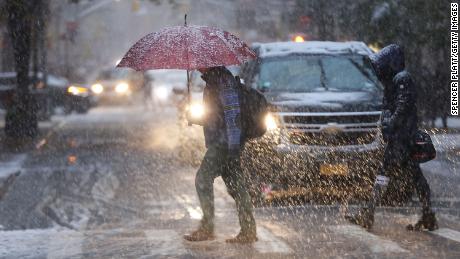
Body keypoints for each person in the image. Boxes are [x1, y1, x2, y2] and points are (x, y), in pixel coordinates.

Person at [346, 44, 438, 231]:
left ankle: (369, 214)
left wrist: (391, 124)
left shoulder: (402, 78)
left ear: (391, 62)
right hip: (402, 136)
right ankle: (428, 214)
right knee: (414, 175)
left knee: (386, 173)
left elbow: (403, 106)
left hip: (401, 138)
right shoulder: (396, 79)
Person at [183, 66, 257, 243]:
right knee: (236, 185)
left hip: (224, 143)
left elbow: (232, 116)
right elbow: (215, 117)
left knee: (202, 179)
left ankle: (207, 228)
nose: (197, 65)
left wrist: (232, 147)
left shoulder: (223, 82)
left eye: (200, 62)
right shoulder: (213, 81)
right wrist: (194, 118)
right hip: (226, 142)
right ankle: (248, 231)